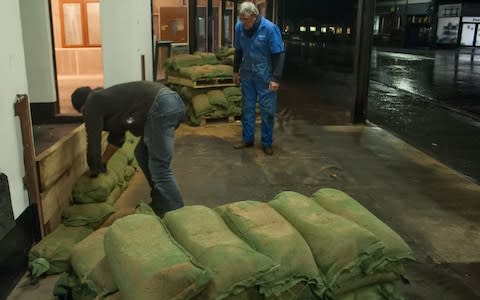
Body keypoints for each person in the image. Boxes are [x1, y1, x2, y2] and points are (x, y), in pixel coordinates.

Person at [71, 81, 186, 217]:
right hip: (170, 103)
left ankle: (178, 214)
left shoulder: (92, 103)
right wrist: (103, 162)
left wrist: (93, 168)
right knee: (141, 153)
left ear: (82, 108)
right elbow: (117, 137)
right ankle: (160, 202)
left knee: (160, 167)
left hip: (160, 107)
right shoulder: (107, 100)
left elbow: (93, 140)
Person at [233, 1, 285, 156]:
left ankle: (266, 143)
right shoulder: (239, 28)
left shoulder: (269, 28)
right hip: (247, 75)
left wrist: (276, 78)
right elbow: (238, 50)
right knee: (247, 108)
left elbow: (279, 54)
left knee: (267, 111)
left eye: (246, 20)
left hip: (265, 77)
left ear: (255, 16)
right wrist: (235, 70)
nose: (244, 23)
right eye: (241, 19)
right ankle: (247, 139)